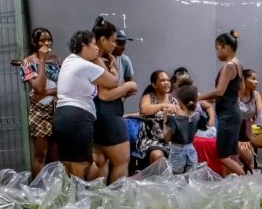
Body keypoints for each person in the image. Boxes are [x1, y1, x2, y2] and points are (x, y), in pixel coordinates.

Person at [52, 30, 119, 179]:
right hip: (77, 117)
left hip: (61, 116)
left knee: (68, 163)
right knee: (81, 164)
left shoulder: (69, 61)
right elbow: (113, 82)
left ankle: (71, 198)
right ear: (84, 45)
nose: (97, 48)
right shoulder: (84, 65)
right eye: (94, 44)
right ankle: (78, 200)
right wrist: (113, 68)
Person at [89, 17, 138, 184]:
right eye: (113, 41)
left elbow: (113, 83)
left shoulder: (102, 59)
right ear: (102, 40)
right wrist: (129, 85)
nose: (115, 45)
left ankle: (97, 201)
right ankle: (116, 201)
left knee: (101, 161)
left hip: (100, 114)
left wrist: (113, 66)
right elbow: (105, 94)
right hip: (107, 115)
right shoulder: (96, 60)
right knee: (121, 161)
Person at [198, 30, 245, 176]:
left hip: (228, 115)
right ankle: (231, 183)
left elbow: (219, 91)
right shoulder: (238, 64)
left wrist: (198, 98)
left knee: (222, 156)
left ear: (225, 47)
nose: (217, 53)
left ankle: (246, 181)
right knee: (230, 153)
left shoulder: (229, 66)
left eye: (217, 49)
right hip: (233, 112)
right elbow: (240, 89)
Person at [19, 27, 61, 177]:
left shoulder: (56, 60)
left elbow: (62, 86)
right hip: (39, 112)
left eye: (49, 39)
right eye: (42, 40)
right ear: (34, 42)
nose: (46, 43)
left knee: (55, 155)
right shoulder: (27, 63)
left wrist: (44, 93)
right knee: (40, 155)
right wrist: (42, 60)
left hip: (57, 108)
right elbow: (38, 86)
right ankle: (37, 190)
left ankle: (55, 189)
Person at [238, 69, 262, 175]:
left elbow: (261, 114)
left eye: (256, 79)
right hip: (237, 132)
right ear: (243, 80)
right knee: (247, 156)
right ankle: (246, 174)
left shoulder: (256, 95)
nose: (256, 82)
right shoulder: (234, 95)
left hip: (251, 131)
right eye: (253, 79)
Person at [163, 83, 209, 174]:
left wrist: (165, 119)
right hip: (191, 150)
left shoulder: (174, 119)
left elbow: (166, 138)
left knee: (177, 180)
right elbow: (204, 127)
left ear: (179, 102)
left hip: (177, 152)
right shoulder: (197, 116)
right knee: (191, 178)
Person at [138, 70, 179, 164]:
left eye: (168, 80)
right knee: (157, 155)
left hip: (171, 141)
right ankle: (157, 179)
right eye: (163, 80)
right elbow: (143, 110)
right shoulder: (148, 97)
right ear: (154, 85)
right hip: (151, 140)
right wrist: (163, 105)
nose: (167, 83)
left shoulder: (174, 101)